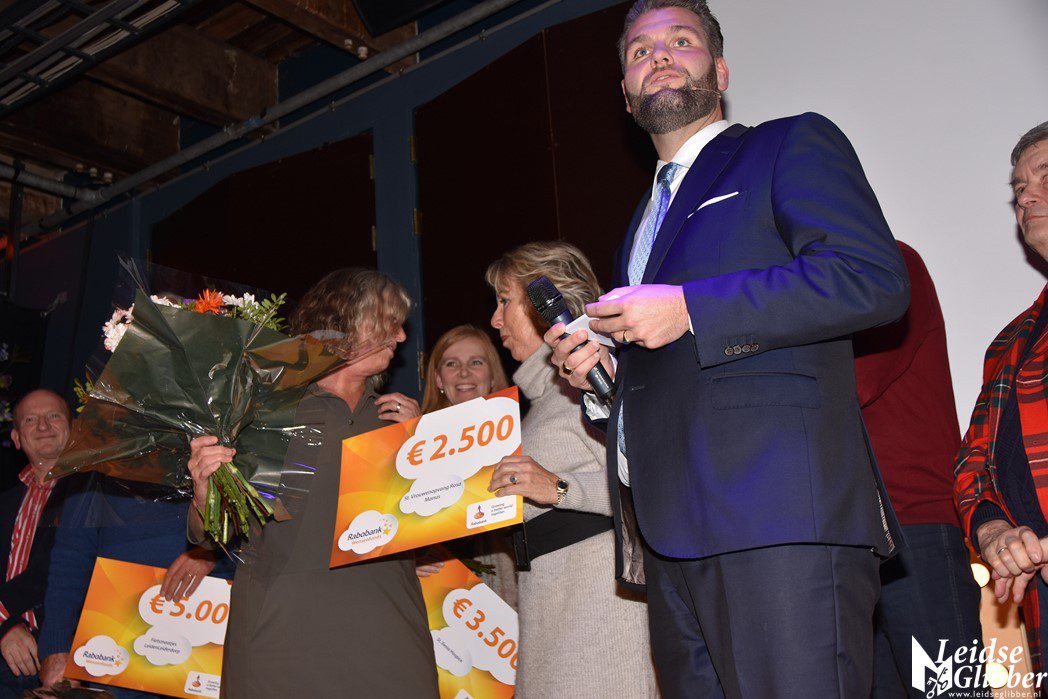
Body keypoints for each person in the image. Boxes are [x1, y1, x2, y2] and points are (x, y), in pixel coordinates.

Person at [546, 2, 910, 696]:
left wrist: (690, 306)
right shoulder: (640, 223)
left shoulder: (787, 143)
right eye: (639, 51)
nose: (659, 56)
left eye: (680, 41)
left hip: (779, 516)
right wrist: (605, 376)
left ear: (720, 70)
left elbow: (871, 279)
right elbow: (671, 363)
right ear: (625, 92)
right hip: (669, 537)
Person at [186, 268, 439, 698]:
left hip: (389, 639)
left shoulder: (398, 420)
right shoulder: (263, 411)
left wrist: (426, 448)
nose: (400, 336)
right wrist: (204, 492)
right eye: (390, 322)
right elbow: (214, 535)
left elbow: (434, 519)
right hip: (282, 641)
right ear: (344, 320)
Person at [486, 241, 657, 698]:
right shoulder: (541, 405)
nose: (495, 320)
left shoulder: (594, 384)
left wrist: (560, 489)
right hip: (551, 616)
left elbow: (651, 483)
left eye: (504, 301)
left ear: (545, 305)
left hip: (602, 626)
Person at [853, 242, 983, 695]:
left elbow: (854, 382)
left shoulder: (886, 262)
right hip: (854, 539)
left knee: (947, 691)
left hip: (914, 529)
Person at [955, 121, 1048, 671]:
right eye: (1019, 190)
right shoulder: (1010, 342)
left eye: (1045, 179)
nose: (1027, 198)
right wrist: (992, 529)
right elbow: (973, 460)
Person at [417, 325, 518, 608]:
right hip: (439, 596)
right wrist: (410, 560)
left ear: (492, 375)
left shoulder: (521, 441)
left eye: (476, 362)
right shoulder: (410, 449)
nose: (464, 373)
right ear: (438, 378)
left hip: (506, 588)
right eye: (452, 364)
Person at [0, 391, 70, 697]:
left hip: (63, 657)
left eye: (53, 416)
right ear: (16, 438)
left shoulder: (94, 496)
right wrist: (6, 627)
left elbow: (58, 568)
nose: (43, 426)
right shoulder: (5, 502)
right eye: (30, 420)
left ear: (73, 430)